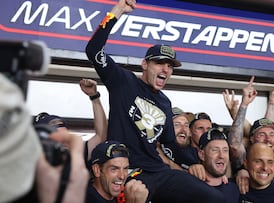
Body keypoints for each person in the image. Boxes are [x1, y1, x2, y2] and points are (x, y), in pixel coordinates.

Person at [85, 1, 226, 202]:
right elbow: (93, 49)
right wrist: (117, 11)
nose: (165, 69)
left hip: (160, 171)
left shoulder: (165, 103)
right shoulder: (123, 81)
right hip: (132, 171)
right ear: (145, 64)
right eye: (159, 63)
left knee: (216, 198)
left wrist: (191, 164)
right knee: (138, 195)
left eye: (170, 66)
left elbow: (170, 145)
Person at [0, 73, 89, 203]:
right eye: (52, 143)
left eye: (65, 143)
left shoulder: (70, 175)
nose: (59, 149)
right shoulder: (14, 182)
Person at [198, 128, 241, 203]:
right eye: (215, 150)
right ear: (202, 155)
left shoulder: (235, 189)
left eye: (225, 150)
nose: (221, 156)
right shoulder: (189, 188)